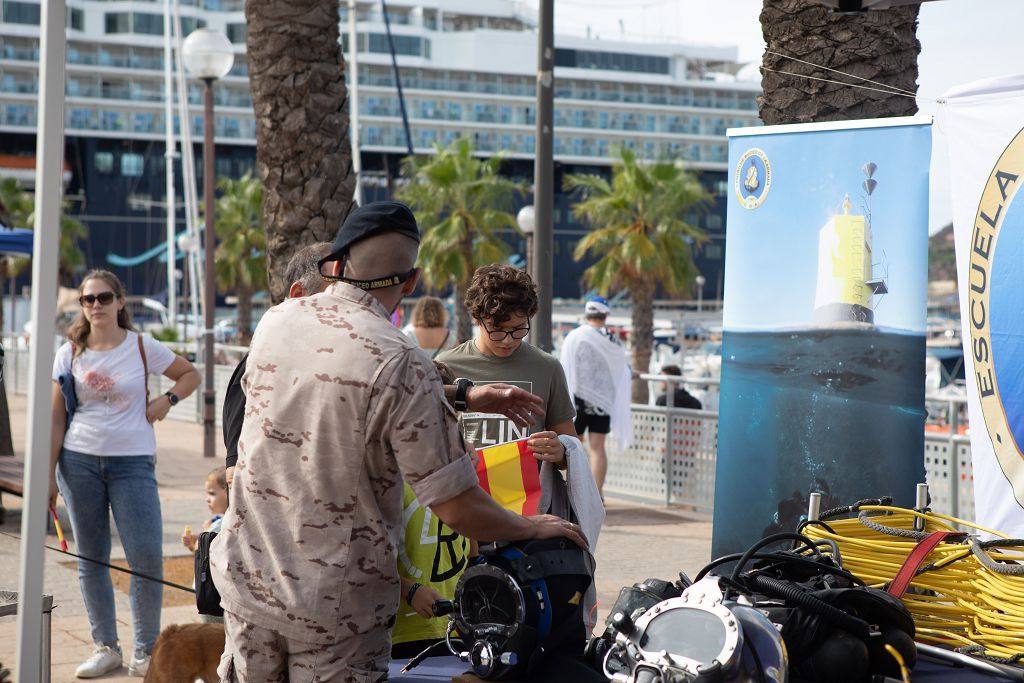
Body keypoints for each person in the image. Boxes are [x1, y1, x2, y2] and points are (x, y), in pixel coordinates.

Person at [210, 201, 586, 681]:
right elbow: (455, 505)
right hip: (334, 611)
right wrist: (532, 528)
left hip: (247, 586)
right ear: (410, 282)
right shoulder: (400, 358)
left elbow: (340, 385)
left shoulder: (278, 321)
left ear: (336, 265)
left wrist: (462, 393)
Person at [48, 269, 201, 679]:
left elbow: (191, 374)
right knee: (90, 557)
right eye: (87, 299)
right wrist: (47, 476)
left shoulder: (141, 345)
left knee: (146, 557)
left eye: (103, 297)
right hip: (78, 462)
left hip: (133, 463)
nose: (95, 305)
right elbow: (55, 419)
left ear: (119, 301)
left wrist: (166, 400)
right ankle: (105, 646)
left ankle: (147, 651)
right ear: (81, 305)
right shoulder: (70, 352)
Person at [437, 264, 578, 460]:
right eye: (497, 329)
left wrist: (561, 452)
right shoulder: (446, 365)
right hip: (464, 488)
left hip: (529, 490)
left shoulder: (548, 367)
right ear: (476, 319)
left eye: (518, 329)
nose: (508, 340)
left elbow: (571, 446)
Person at [221, 241, 332, 487]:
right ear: (298, 295)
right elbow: (235, 474)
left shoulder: (335, 365)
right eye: (334, 300)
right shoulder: (258, 366)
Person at [559, 295, 633, 496]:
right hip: (603, 402)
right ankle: (597, 493)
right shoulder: (613, 340)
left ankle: (573, 494)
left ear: (587, 313)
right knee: (598, 449)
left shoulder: (575, 336)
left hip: (576, 401)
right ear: (605, 315)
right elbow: (623, 370)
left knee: (573, 448)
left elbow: (564, 367)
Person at [180, 466, 229, 624]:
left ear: (229, 492)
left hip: (212, 592)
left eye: (212, 493)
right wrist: (194, 542)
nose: (207, 499)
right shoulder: (216, 523)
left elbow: (205, 552)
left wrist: (200, 540)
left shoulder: (223, 525)